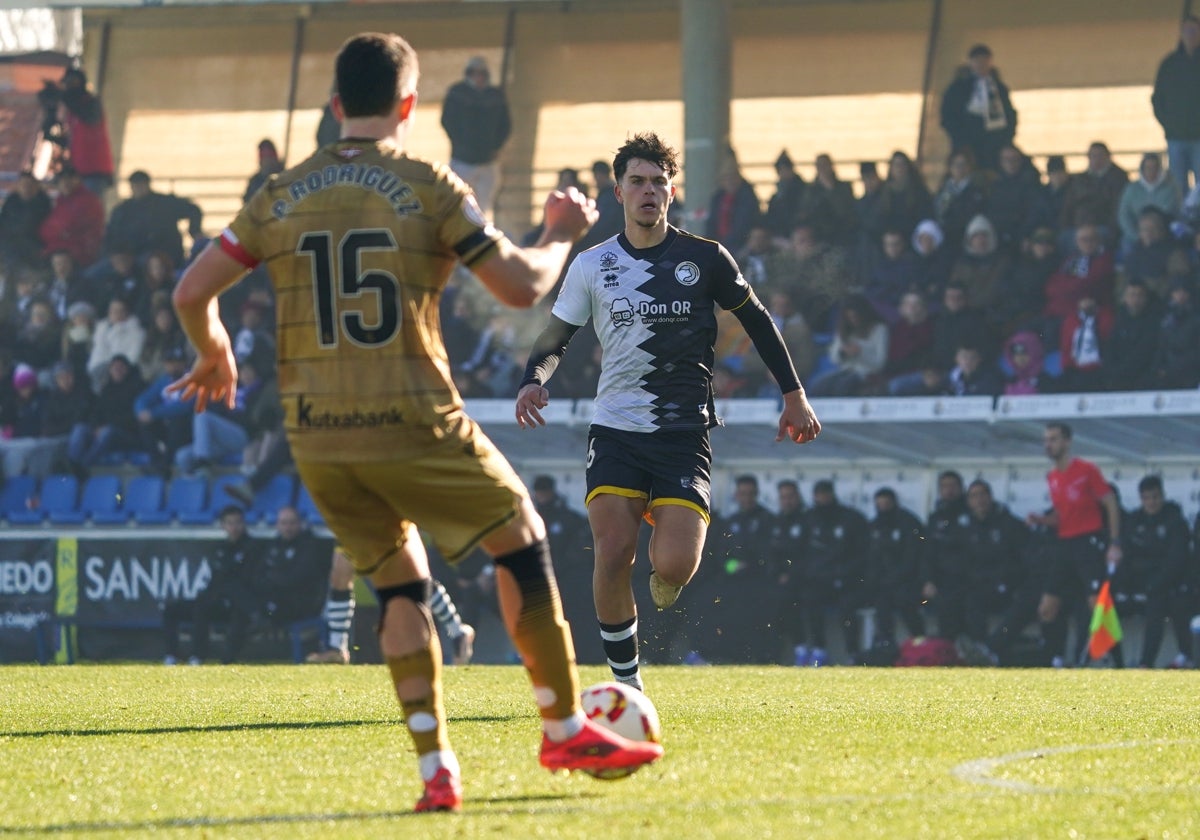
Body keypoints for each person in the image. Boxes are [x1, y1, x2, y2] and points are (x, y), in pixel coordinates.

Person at [167, 32, 662, 813]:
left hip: (318, 435)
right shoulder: (427, 184)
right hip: (411, 415)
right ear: (408, 105)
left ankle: (437, 771)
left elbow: (192, 292)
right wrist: (562, 231)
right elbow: (516, 286)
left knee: (400, 587)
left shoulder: (279, 193)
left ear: (335, 106)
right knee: (521, 538)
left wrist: (215, 353)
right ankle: (564, 724)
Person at [515, 132, 821, 691]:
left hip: (683, 433)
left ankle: (665, 545)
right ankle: (626, 682)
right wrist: (534, 380)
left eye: (658, 182)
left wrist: (793, 394)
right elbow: (557, 334)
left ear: (671, 191)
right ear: (619, 192)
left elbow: (757, 322)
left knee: (676, 566)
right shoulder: (593, 264)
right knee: (612, 551)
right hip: (615, 430)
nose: (649, 191)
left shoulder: (704, 258)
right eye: (638, 182)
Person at [1027, 422, 1124, 667]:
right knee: (1047, 608)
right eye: (1046, 440)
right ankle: (1054, 659)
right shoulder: (1052, 477)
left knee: (1098, 606)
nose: (1049, 445)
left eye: (1054, 439)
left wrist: (1114, 542)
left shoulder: (1086, 470)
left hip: (1087, 543)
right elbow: (1063, 515)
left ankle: (1119, 664)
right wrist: (1043, 520)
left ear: (1067, 442)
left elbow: (1110, 502)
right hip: (1064, 544)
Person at [161, 505, 263, 665]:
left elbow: (245, 581)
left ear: (244, 524)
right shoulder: (220, 549)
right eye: (230, 523)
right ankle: (171, 655)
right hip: (215, 599)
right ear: (223, 525)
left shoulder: (253, 548)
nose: (234, 527)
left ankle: (198, 656)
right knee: (171, 609)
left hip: (237, 603)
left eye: (237, 522)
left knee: (202, 606)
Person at [1122, 475, 1194, 668]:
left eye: (1155, 497)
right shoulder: (1135, 521)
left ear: (1162, 496)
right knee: (1154, 606)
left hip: (1175, 583)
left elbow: (1177, 560)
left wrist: (1155, 581)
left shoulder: (1175, 521)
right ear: (1141, 499)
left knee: (1172, 602)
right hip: (1147, 582)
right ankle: (1139, 662)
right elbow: (1129, 554)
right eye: (1146, 498)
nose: (1151, 502)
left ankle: (1182, 657)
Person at [440, 56, 511, 221]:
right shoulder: (457, 93)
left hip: (488, 162)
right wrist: (461, 143)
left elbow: (505, 125)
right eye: (474, 73)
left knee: (484, 208)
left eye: (482, 73)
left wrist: (495, 147)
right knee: (459, 204)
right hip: (462, 160)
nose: (478, 77)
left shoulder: (495, 96)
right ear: (468, 74)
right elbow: (447, 121)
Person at [939, 44, 1017, 173]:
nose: (981, 65)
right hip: (967, 143)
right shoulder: (958, 88)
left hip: (995, 143)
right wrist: (960, 139)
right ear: (970, 62)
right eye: (978, 61)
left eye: (985, 61)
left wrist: (1007, 137)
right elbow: (948, 116)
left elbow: (1009, 114)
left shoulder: (999, 88)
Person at [105, 171, 204, 267]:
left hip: (166, 255)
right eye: (135, 185)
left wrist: (195, 231)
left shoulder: (165, 204)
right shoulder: (123, 210)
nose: (138, 188)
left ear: (148, 185)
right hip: (132, 258)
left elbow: (193, 210)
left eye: (141, 184)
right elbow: (112, 233)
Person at [1152, 15, 1200, 195]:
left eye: (1194, 30)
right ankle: (1182, 221)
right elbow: (1157, 99)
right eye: (1187, 30)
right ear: (1181, 34)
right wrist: (1169, 124)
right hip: (1175, 137)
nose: (1191, 35)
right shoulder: (1169, 65)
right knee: (1178, 184)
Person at [55, 68, 115, 195]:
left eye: (72, 82)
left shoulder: (91, 103)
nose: (68, 87)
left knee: (90, 209)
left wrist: (69, 101)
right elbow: (74, 137)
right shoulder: (72, 109)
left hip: (95, 170)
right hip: (79, 169)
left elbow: (91, 119)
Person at [38, 164, 104, 269]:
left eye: (70, 179)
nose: (65, 183)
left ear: (78, 180)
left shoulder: (88, 201)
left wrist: (58, 233)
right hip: (59, 248)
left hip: (79, 254)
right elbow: (47, 229)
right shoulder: (62, 201)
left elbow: (69, 228)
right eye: (62, 180)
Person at [1117, 153, 1182, 257]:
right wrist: (1136, 235)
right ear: (1142, 169)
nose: (1151, 171)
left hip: (1162, 236)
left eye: (1155, 168)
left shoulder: (1170, 189)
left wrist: (1153, 234)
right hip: (1135, 235)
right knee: (1127, 246)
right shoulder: (1131, 189)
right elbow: (1124, 215)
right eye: (1148, 168)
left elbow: (1167, 214)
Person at [0, 170, 52, 272]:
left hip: (33, 243)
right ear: (18, 185)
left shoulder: (43, 203)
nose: (26, 188)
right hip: (9, 242)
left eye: (29, 185)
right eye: (23, 184)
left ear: (36, 187)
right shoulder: (12, 200)